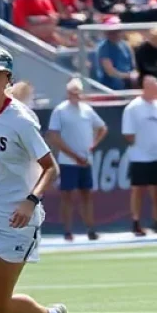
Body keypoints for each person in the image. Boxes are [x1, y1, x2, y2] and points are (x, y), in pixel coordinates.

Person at [0, 47, 67, 313]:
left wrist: (30, 202)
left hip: (16, 217)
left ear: (6, 79)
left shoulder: (20, 120)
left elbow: (51, 167)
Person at [46, 78, 107, 241]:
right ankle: (67, 230)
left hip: (85, 161)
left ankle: (90, 228)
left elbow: (102, 127)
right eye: (73, 92)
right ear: (68, 93)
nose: (76, 95)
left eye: (78, 92)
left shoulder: (87, 110)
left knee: (86, 195)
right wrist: (73, 155)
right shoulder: (60, 110)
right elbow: (53, 136)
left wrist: (93, 145)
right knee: (67, 195)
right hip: (68, 161)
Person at [121, 75, 157, 236]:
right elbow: (128, 134)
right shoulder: (133, 108)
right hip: (139, 156)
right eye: (154, 86)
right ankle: (136, 222)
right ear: (146, 87)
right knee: (138, 190)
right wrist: (142, 144)